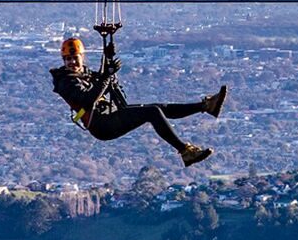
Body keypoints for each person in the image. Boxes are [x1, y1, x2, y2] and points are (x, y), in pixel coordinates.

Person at [50, 37, 225, 167]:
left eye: (75, 58)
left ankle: (205, 106)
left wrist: (107, 59)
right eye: (68, 59)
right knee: (152, 113)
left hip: (107, 116)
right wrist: (107, 75)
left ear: (82, 57)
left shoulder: (83, 74)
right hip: (101, 125)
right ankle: (185, 151)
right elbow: (88, 99)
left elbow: (101, 79)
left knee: (157, 108)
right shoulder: (66, 82)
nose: (72, 62)